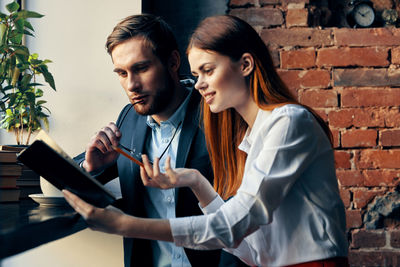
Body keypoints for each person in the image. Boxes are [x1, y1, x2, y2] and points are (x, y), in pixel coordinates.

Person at [65, 15, 349, 267]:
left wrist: (126, 225)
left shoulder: (288, 122)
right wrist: (197, 182)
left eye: (208, 71)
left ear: (246, 64)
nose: (198, 84)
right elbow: (248, 247)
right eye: (197, 73)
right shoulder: (256, 133)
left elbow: (232, 226)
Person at [73, 14, 247, 267]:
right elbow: (77, 175)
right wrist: (92, 166)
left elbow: (240, 214)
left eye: (141, 68)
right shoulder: (129, 118)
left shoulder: (219, 113)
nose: (131, 85)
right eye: (122, 73)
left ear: (173, 61)